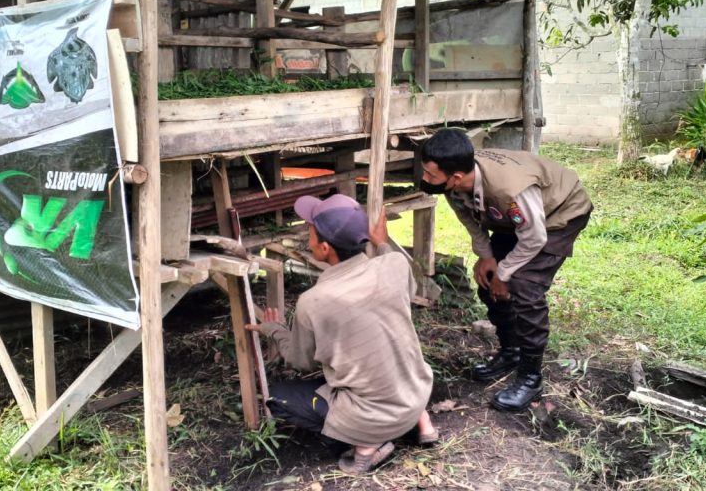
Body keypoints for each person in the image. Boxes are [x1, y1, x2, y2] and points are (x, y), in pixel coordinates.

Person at [247, 193, 438, 474]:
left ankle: (366, 448)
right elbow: (403, 287)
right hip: (416, 393)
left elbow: (301, 362)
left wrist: (273, 330)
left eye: (309, 231)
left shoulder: (314, 301)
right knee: (388, 353)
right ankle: (423, 424)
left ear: (324, 248)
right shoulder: (395, 264)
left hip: (373, 417)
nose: (307, 236)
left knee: (276, 397)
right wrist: (381, 241)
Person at [418, 128, 592, 411]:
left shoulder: (510, 191)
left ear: (457, 177)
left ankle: (531, 378)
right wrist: (487, 257)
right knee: (487, 279)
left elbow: (535, 237)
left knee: (524, 287)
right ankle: (511, 351)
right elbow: (471, 220)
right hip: (519, 222)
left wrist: (505, 274)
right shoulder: (453, 184)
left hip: (559, 213)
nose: (425, 179)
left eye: (430, 174)